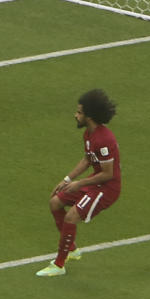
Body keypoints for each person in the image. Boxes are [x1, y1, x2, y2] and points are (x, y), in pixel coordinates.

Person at [36, 89, 120, 277]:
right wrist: (67, 180)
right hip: (94, 184)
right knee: (55, 202)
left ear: (89, 116)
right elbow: (87, 160)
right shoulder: (89, 135)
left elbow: (108, 174)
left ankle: (59, 265)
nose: (76, 115)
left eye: (79, 112)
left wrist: (79, 184)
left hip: (106, 189)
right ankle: (71, 249)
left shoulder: (104, 140)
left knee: (71, 217)